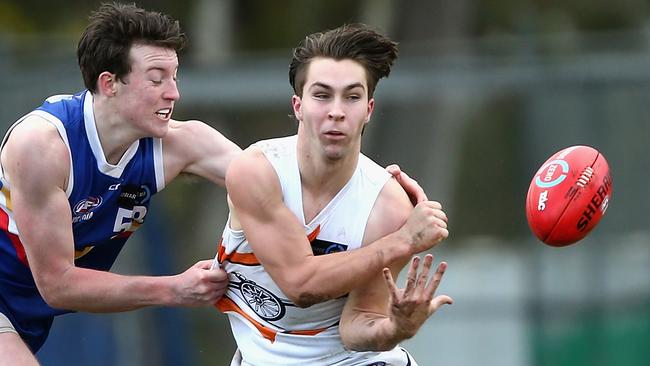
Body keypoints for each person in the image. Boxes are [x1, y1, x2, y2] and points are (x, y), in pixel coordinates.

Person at [0, 3, 431, 364]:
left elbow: (277, 181)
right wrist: (173, 289)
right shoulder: (42, 146)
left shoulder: (183, 143)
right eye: (157, 79)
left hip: (33, 313)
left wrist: (385, 195)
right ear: (109, 83)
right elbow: (57, 284)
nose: (174, 93)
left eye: (175, 76)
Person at [216, 24, 452, 365]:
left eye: (352, 97)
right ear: (298, 105)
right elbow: (300, 285)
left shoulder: (388, 207)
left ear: (369, 110)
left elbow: (358, 324)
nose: (337, 111)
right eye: (322, 95)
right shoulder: (256, 171)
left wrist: (397, 328)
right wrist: (403, 241)